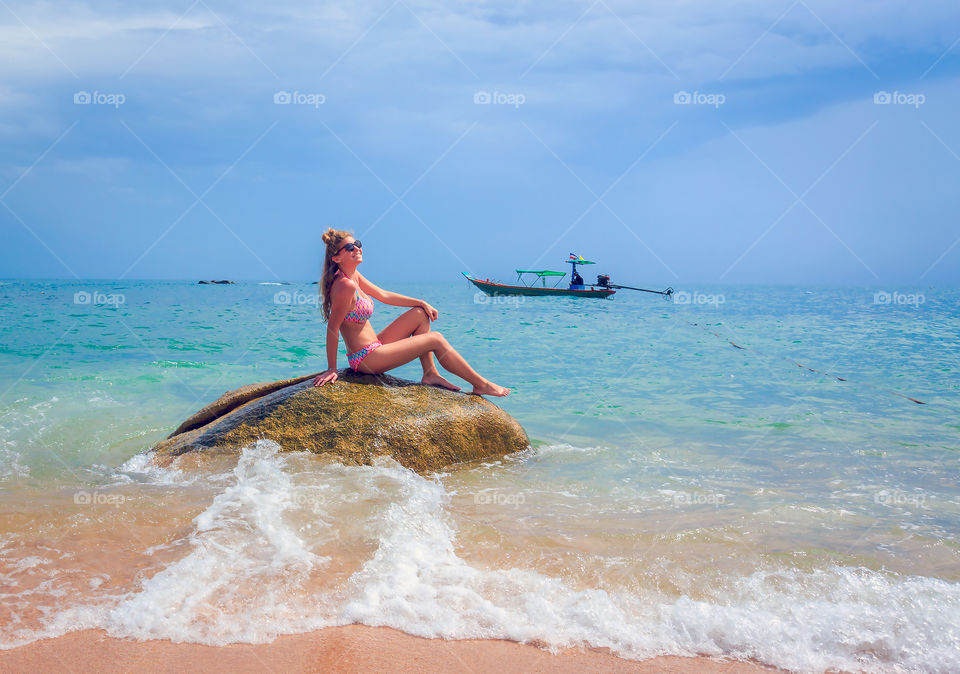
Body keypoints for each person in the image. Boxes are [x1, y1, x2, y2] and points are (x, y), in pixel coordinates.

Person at [311, 228, 510, 397]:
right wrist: (332, 368)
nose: (357, 248)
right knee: (436, 339)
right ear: (336, 258)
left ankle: (430, 373)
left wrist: (421, 302)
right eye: (349, 247)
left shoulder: (353, 276)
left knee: (419, 314)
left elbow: (383, 295)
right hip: (365, 359)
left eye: (357, 244)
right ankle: (480, 384)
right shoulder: (345, 285)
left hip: (376, 345)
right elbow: (333, 328)